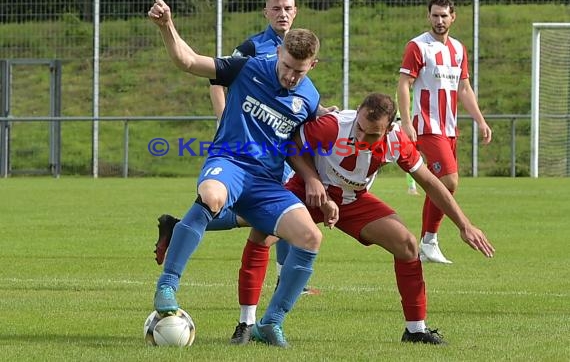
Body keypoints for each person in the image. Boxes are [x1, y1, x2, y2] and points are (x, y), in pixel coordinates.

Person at [156, 93, 496, 345]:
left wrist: (464, 224)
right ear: (357, 115)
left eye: (372, 134)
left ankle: (416, 330)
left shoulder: (397, 142)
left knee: (407, 244)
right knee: (262, 234)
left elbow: (431, 184)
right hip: (308, 190)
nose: (363, 138)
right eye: (361, 128)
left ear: (389, 128)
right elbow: (292, 147)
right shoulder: (332, 125)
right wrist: (313, 180)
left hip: (353, 201)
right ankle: (247, 324)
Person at [147, 0, 336, 348]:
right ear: (279, 54)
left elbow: (295, 145)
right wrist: (166, 27)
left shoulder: (309, 98)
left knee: (311, 238)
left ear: (313, 64)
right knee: (212, 197)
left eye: (301, 70)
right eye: (288, 66)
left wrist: (312, 180)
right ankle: (167, 286)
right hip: (230, 163)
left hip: (267, 182)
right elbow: (188, 62)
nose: (291, 76)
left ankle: (271, 323)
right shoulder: (246, 67)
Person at [397, 0, 493, 264]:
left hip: (449, 128)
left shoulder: (459, 49)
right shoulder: (418, 46)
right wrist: (406, 122)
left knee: (444, 185)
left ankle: (428, 242)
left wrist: (480, 120)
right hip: (427, 126)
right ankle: (429, 241)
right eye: (435, 15)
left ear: (453, 17)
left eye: (444, 16)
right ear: (428, 17)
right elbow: (404, 84)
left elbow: (464, 88)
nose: (439, 21)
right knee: (448, 181)